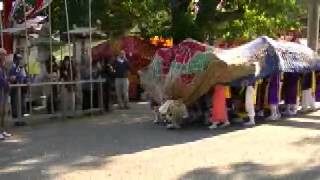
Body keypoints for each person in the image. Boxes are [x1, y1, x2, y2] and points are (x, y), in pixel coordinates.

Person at [9, 52, 28, 126]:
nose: (19, 60)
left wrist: (28, 80)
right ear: (14, 60)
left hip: (22, 89)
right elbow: (11, 78)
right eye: (18, 59)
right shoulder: (12, 68)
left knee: (23, 105)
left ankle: (22, 119)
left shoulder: (23, 68)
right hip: (15, 90)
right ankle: (16, 120)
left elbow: (26, 76)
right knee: (15, 104)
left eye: (20, 59)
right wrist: (17, 77)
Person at [0, 49, 12, 140]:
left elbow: (5, 77)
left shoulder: (3, 66)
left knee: (4, 111)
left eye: (5, 54)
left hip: (4, 90)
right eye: (3, 54)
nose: (5, 56)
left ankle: (2, 130)